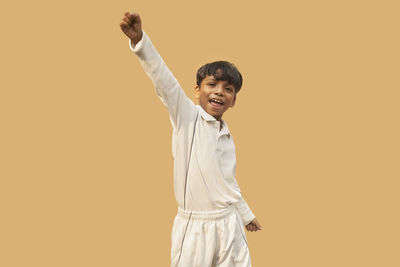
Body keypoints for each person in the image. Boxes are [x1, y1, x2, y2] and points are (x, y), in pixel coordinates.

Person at [120, 11, 262, 267]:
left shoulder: (227, 136)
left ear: (234, 100)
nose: (219, 92)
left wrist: (245, 214)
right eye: (212, 85)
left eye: (228, 89)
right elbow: (165, 81)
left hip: (229, 224)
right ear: (197, 90)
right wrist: (141, 42)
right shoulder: (187, 117)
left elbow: (227, 182)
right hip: (196, 228)